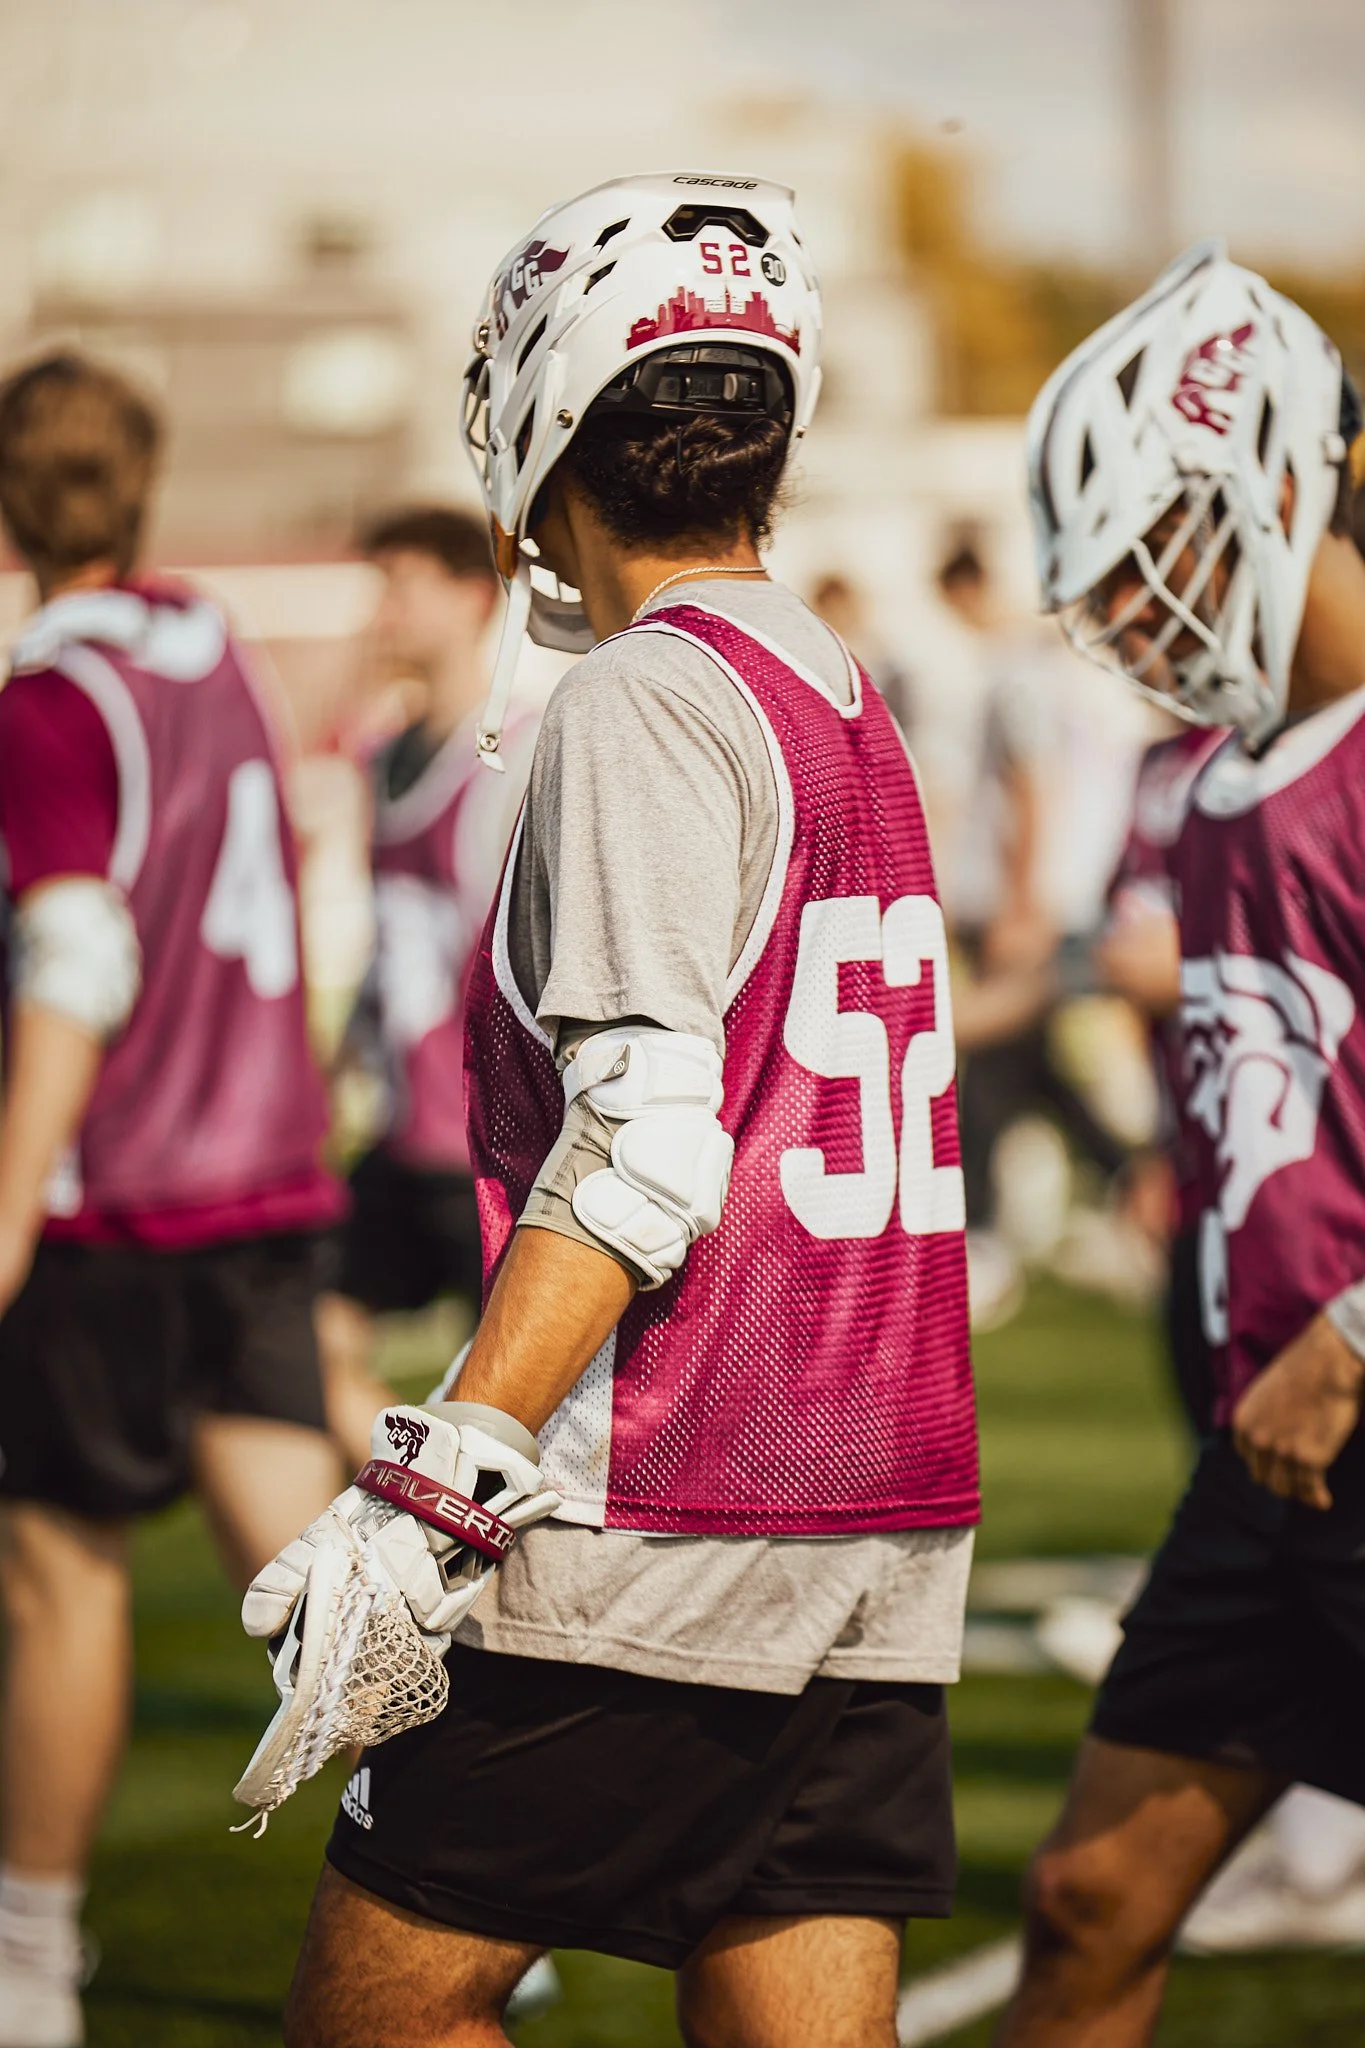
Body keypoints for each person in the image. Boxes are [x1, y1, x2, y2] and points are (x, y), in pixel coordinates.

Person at [248, 172, 979, 2048]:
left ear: (555, 406)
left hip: (671, 1492)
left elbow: (649, 1140)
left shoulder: (647, 696)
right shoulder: (839, 686)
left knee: (379, 2005)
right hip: (868, 1499)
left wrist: (438, 1477)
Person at [997, 242, 1365, 2044]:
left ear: (1285, 489)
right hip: (1264, 1439)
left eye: (1163, 550)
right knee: (1089, 1897)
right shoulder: (1219, 769)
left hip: (1348, 1393)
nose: (1135, 608)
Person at [0, 353, 345, 2047]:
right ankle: (464, 1896)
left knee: (60, 1579)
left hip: (118, 1203)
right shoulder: (216, 647)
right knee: (306, 1584)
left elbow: (77, 947)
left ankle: (31, 1962)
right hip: (263, 1185)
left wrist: (3, 1202)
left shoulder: (54, 700)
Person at [317, 506, 534, 1467]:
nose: (385, 612)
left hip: (487, 1143)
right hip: (404, 1134)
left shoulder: (518, 756)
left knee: (527, 1408)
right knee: (308, 1342)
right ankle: (419, 1517)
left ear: (470, 596)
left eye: (404, 585)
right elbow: (387, 945)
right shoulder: (382, 755)